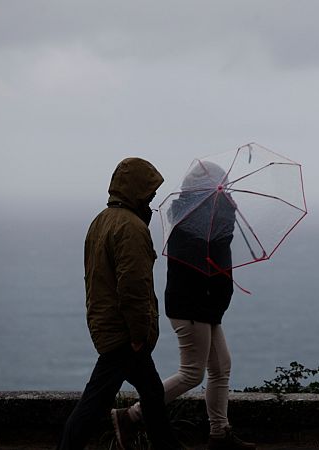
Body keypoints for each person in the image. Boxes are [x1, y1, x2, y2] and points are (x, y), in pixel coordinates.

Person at [111, 161, 255, 450]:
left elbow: (217, 259)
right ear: (208, 189)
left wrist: (225, 213)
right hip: (191, 307)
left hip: (203, 306)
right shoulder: (193, 220)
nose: (225, 189)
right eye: (222, 185)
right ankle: (130, 416)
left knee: (220, 366)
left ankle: (219, 434)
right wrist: (226, 214)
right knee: (192, 373)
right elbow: (211, 263)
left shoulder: (201, 215)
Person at [58, 158, 183, 450]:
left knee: (151, 392)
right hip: (125, 334)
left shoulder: (101, 221)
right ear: (137, 192)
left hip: (107, 324)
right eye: (149, 196)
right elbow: (133, 288)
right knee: (93, 404)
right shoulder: (132, 228)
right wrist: (139, 335)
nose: (152, 203)